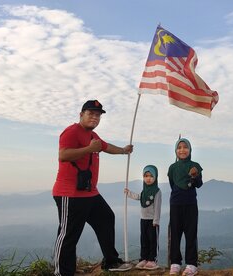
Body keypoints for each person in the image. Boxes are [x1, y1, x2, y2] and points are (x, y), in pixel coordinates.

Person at [52, 100, 134, 275]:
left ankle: (111, 262)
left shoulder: (94, 136)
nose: (95, 118)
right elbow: (63, 155)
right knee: (68, 235)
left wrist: (124, 150)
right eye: (91, 114)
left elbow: (106, 147)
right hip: (70, 193)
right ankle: (62, 272)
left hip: (89, 193)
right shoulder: (71, 131)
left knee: (106, 218)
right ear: (81, 114)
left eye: (97, 115)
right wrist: (89, 149)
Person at [167, 138, 203, 276]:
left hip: (190, 204)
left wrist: (194, 176)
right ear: (176, 150)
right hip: (175, 204)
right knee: (175, 233)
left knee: (191, 233)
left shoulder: (195, 165)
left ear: (190, 149)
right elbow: (172, 184)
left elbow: (198, 184)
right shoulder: (172, 168)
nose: (182, 150)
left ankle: (192, 264)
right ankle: (175, 263)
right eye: (179, 147)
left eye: (185, 147)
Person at [124, 165, 162, 270]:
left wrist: (156, 220)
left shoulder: (157, 191)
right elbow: (138, 197)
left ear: (155, 177)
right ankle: (144, 258)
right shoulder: (144, 191)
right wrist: (128, 193)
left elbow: (158, 207)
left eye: (151, 176)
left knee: (152, 240)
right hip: (143, 220)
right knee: (144, 240)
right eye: (146, 176)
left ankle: (152, 260)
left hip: (152, 221)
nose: (148, 178)